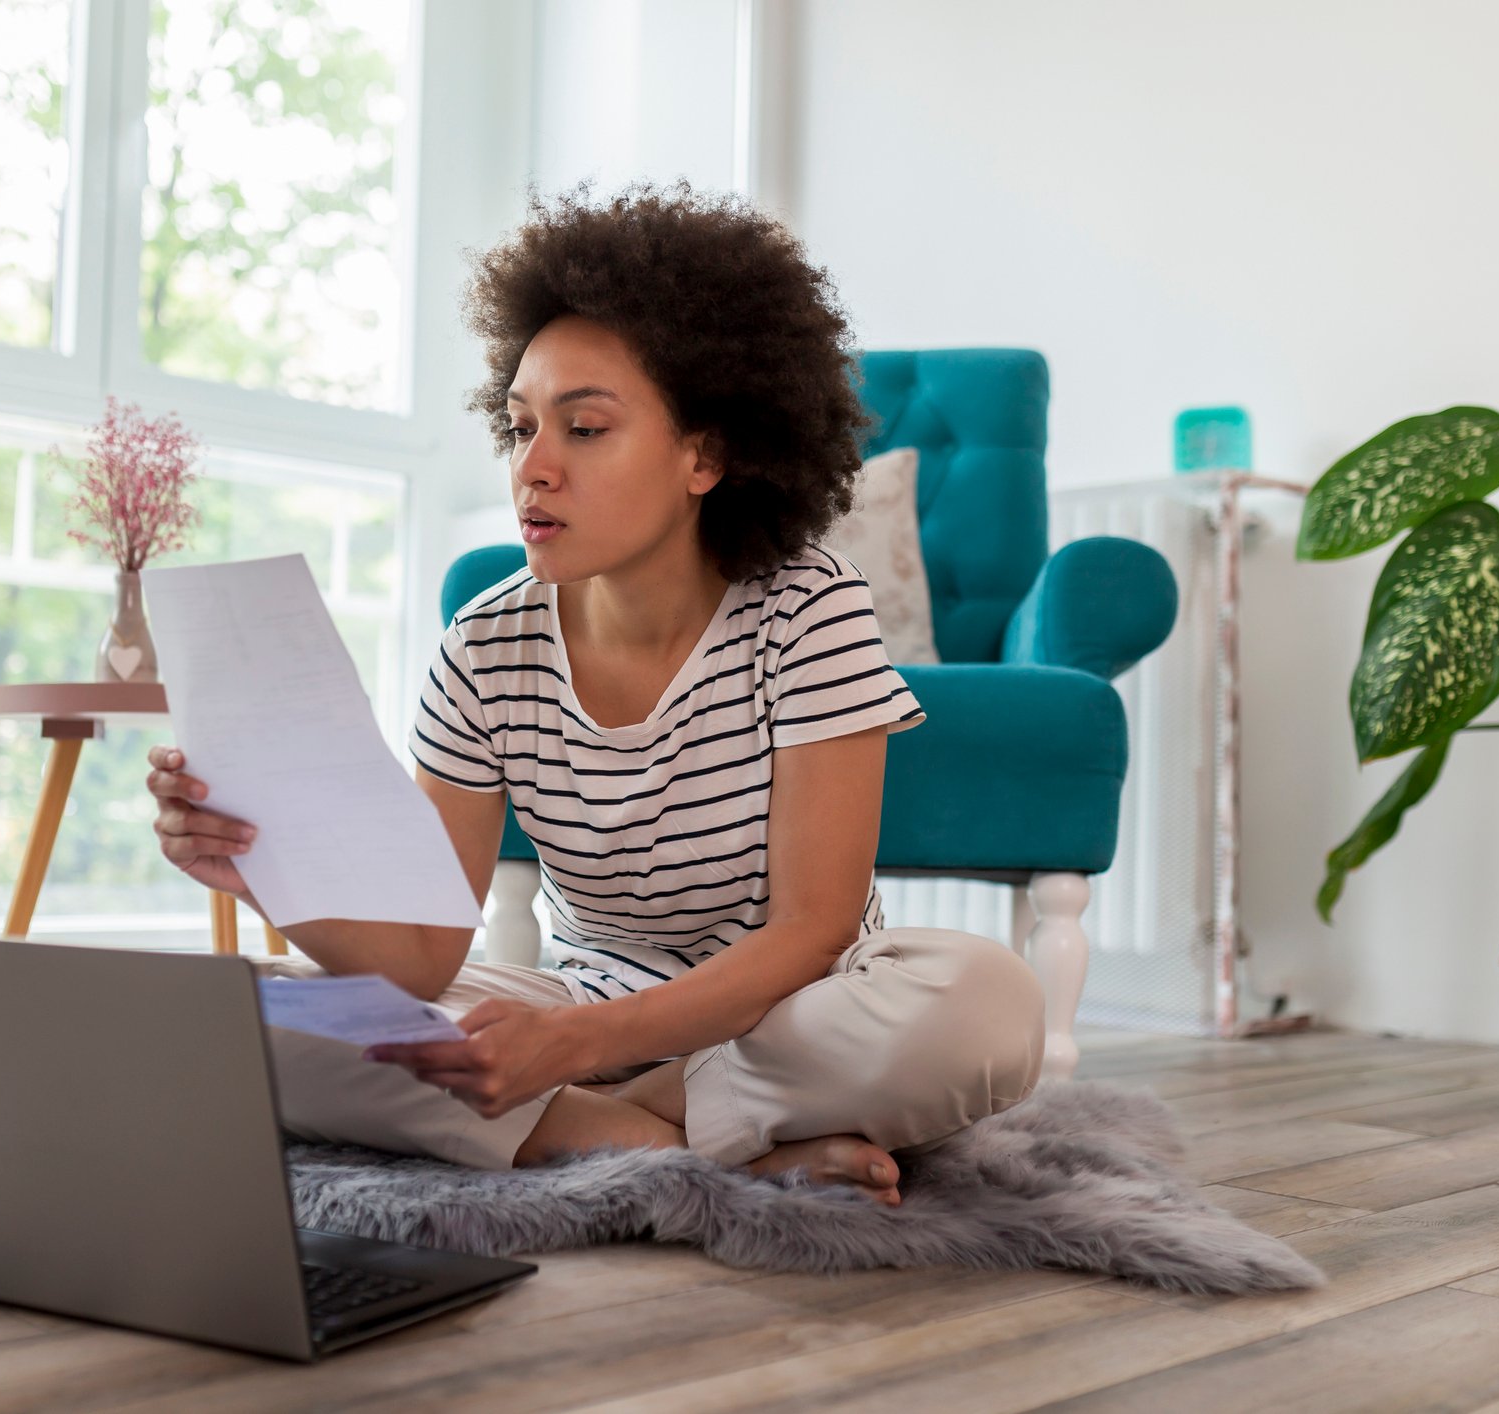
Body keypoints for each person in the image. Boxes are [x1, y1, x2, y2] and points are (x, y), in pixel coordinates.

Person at [147, 182, 1044, 1205]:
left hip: (787, 1014)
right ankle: (696, 1150)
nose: (533, 468)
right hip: (575, 1001)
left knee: (986, 1001)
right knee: (252, 1016)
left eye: (584, 428)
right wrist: (264, 870)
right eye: (521, 426)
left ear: (705, 453)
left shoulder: (809, 609)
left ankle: (601, 1123)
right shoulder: (484, 644)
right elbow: (425, 952)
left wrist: (567, 1047)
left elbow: (813, 930)